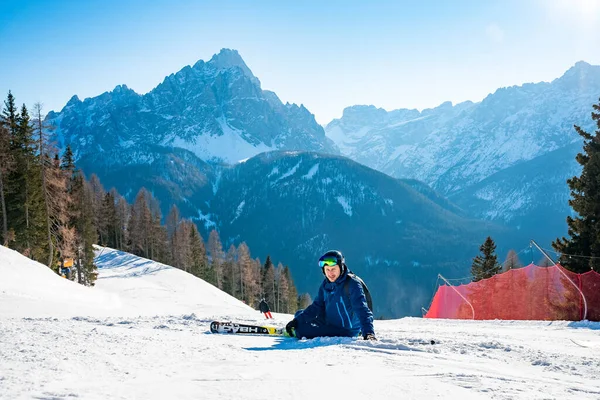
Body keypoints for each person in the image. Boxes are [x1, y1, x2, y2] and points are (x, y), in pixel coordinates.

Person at [286, 250, 376, 340]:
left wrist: (368, 332)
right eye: (327, 270)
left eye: (333, 269)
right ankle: (297, 325)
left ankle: (296, 331)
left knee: (301, 330)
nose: (330, 273)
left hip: (346, 329)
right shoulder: (326, 284)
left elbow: (362, 309)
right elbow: (316, 306)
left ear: (341, 267)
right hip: (328, 321)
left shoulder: (352, 283)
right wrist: (296, 321)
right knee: (299, 315)